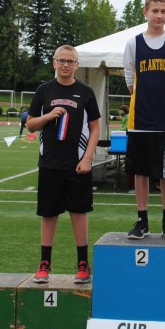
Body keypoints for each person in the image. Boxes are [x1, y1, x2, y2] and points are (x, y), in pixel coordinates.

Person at [26, 45, 101, 284]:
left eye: (71, 61)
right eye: (62, 60)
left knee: (79, 212)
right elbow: (30, 124)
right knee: (48, 213)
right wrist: (48, 116)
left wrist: (88, 157)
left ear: (77, 65)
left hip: (77, 163)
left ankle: (82, 264)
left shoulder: (85, 92)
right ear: (54, 62)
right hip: (49, 162)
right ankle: (44, 263)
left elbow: (95, 127)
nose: (66, 65)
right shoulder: (43, 90)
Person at [123, 0, 165, 240]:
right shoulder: (134, 43)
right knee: (141, 171)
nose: (159, 15)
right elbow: (130, 77)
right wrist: (144, 100)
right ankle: (142, 220)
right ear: (145, 13)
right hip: (139, 121)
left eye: (163, 11)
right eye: (155, 11)